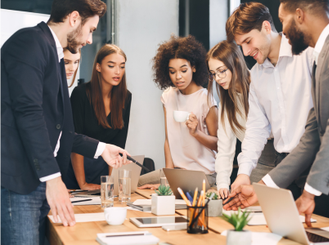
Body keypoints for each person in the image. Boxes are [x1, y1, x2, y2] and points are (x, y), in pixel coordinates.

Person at [225, 0, 329, 228]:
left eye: (248, 41)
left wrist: (310, 190)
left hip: (328, 168)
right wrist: (252, 179)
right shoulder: (260, 75)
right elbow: (264, 129)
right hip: (288, 168)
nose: (246, 51)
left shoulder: (322, 50)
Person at [1, 1, 131, 244]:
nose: (91, 40)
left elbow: (61, 132)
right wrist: (53, 178)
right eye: (91, 29)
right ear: (73, 19)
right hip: (20, 181)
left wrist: (102, 149)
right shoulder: (29, 42)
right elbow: (28, 113)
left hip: (38, 181)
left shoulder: (54, 54)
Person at [138, 35, 218, 189]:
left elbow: (218, 144)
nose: (178, 77)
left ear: (193, 67)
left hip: (202, 174)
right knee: (132, 185)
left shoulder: (206, 100)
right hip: (176, 172)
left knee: (174, 192)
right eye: (172, 71)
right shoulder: (168, 96)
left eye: (183, 70)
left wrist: (196, 133)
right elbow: (169, 140)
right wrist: (168, 176)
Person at [206, 40, 276, 199]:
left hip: (278, 156)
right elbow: (225, 146)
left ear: (236, 63)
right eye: (214, 73)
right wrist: (222, 183)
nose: (218, 78)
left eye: (222, 71)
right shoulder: (227, 100)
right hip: (254, 162)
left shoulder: (259, 84)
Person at [63, 44, 132, 190]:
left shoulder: (126, 97)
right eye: (111, 66)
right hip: (76, 173)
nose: (117, 72)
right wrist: (82, 184)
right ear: (99, 67)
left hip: (103, 172)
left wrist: (110, 184)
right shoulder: (80, 93)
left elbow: (119, 145)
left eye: (122, 66)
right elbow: (75, 141)